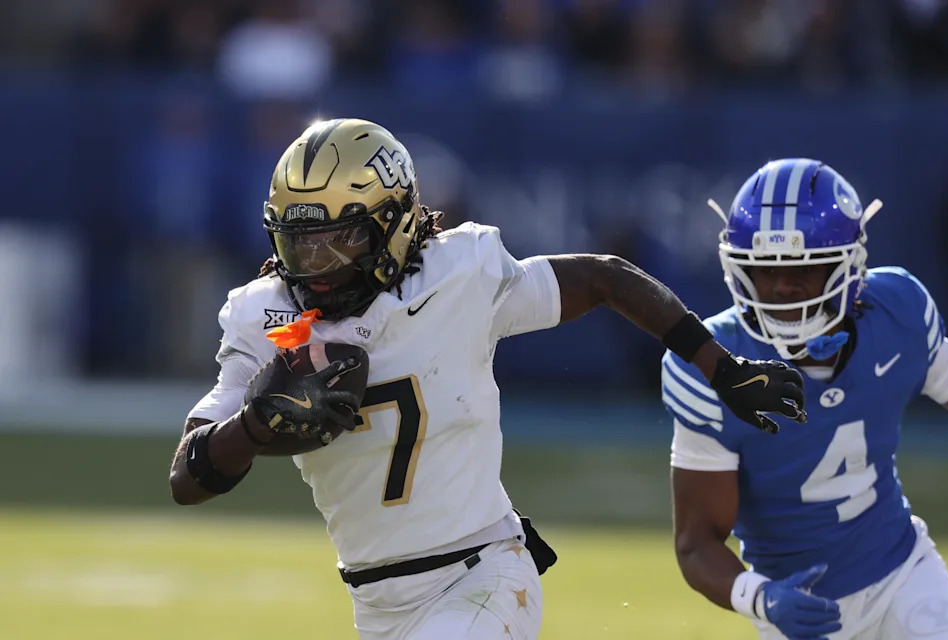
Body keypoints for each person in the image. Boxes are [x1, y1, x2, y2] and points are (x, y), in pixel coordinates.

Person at [168, 118, 806, 640]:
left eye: (340, 242)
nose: (317, 267)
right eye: (301, 244)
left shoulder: (458, 276)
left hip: (482, 576)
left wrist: (720, 366)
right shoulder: (265, 316)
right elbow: (187, 478)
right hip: (376, 603)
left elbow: (603, 277)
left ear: (394, 224)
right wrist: (253, 425)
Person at [663, 158, 948, 640]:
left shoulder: (897, 311)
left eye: (804, 267)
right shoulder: (713, 366)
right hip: (800, 604)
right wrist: (761, 597)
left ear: (849, 266)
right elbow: (696, 543)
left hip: (905, 574)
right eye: (766, 269)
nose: (783, 286)